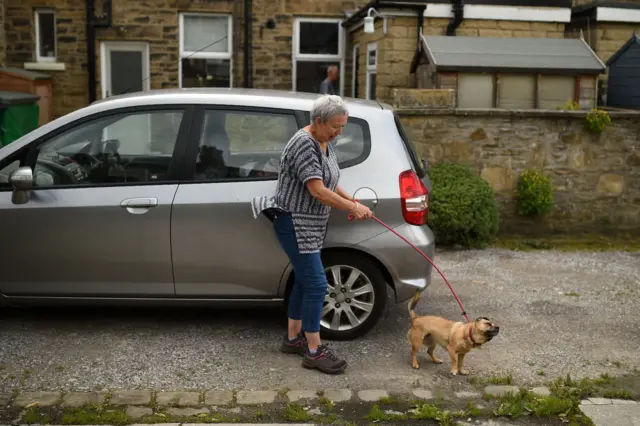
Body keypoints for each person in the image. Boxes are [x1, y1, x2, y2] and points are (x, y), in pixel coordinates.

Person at [251, 95, 373, 374]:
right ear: (318, 121)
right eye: (335, 126)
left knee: (307, 282)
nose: (339, 132)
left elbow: (331, 181)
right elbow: (317, 190)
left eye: (342, 127)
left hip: (312, 222)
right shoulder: (304, 144)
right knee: (318, 284)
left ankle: (294, 339)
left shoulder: (324, 141)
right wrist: (351, 206)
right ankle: (314, 351)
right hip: (294, 221)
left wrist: (352, 203)